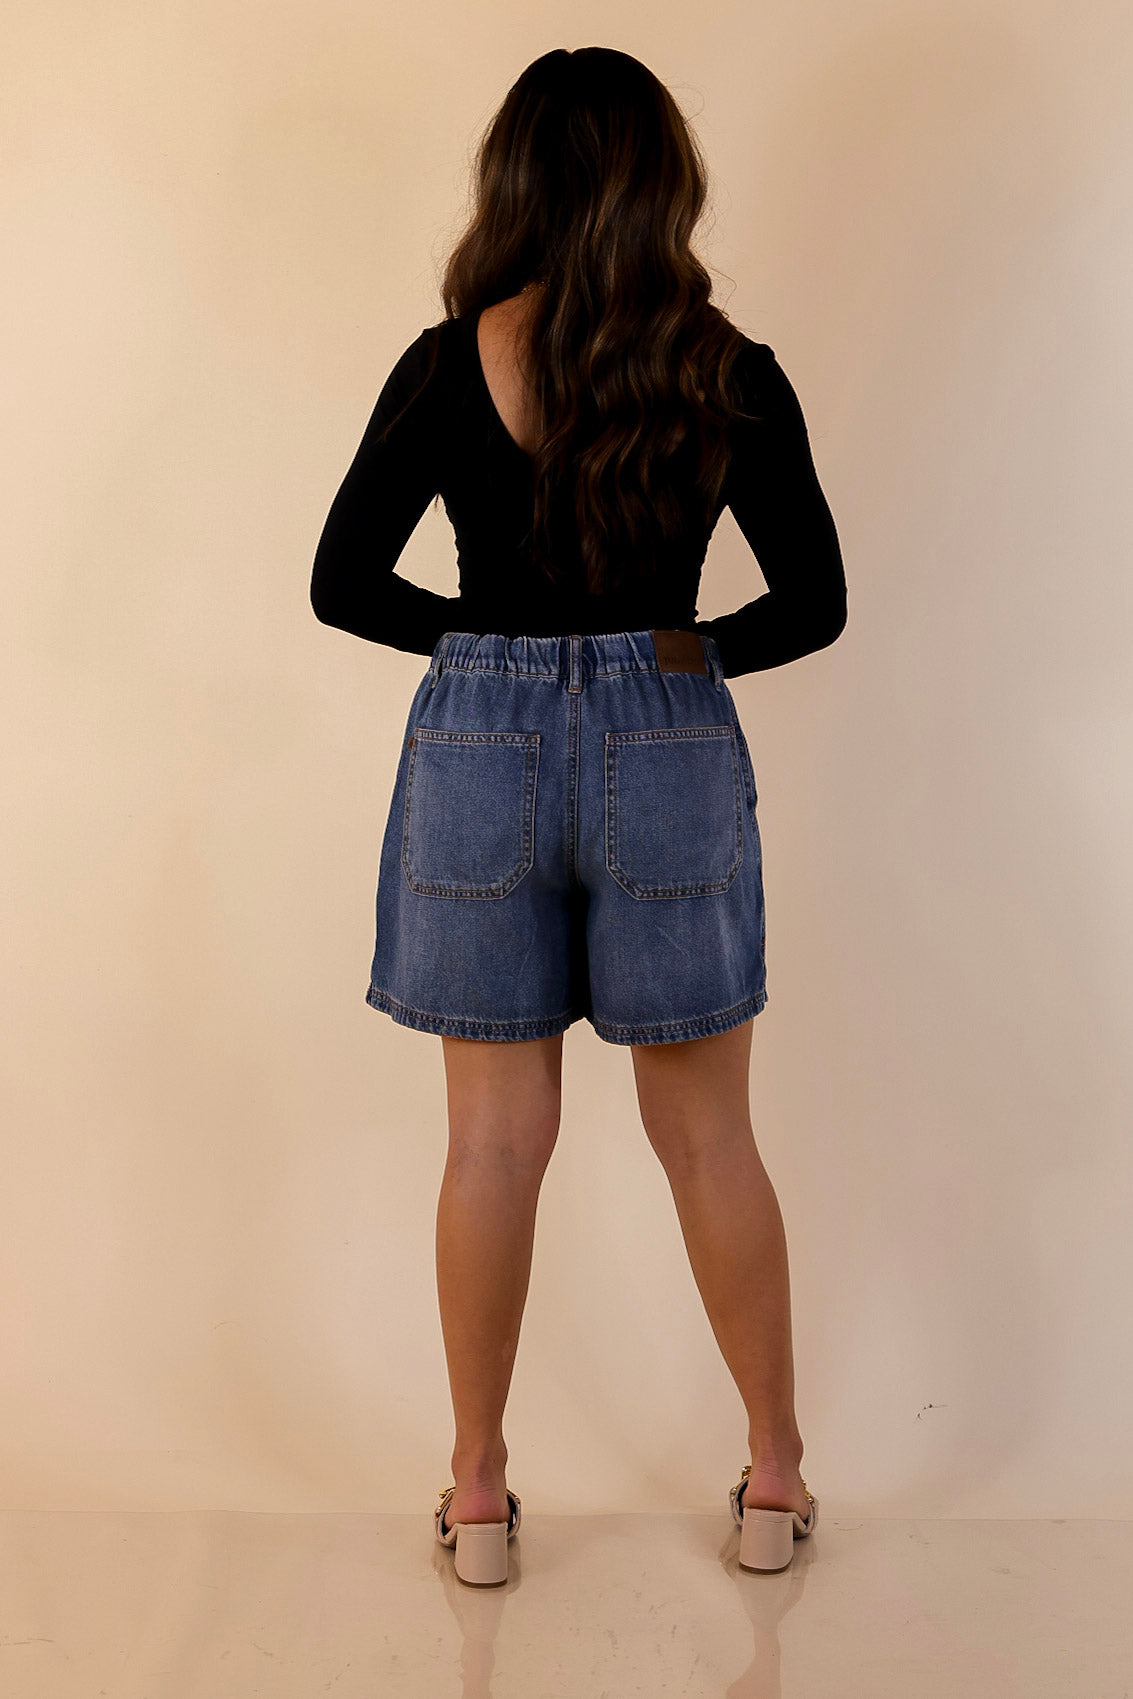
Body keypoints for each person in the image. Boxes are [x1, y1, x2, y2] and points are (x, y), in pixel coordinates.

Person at [310, 46, 844, 1584]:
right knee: (708, 1135)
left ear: (515, 180)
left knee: (491, 1142)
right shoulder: (724, 366)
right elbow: (810, 603)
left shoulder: (446, 362)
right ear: (660, 181)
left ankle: (477, 1496)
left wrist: (493, 647)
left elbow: (343, 583)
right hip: (664, 738)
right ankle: (772, 1481)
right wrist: (670, 656)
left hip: (480, 740)